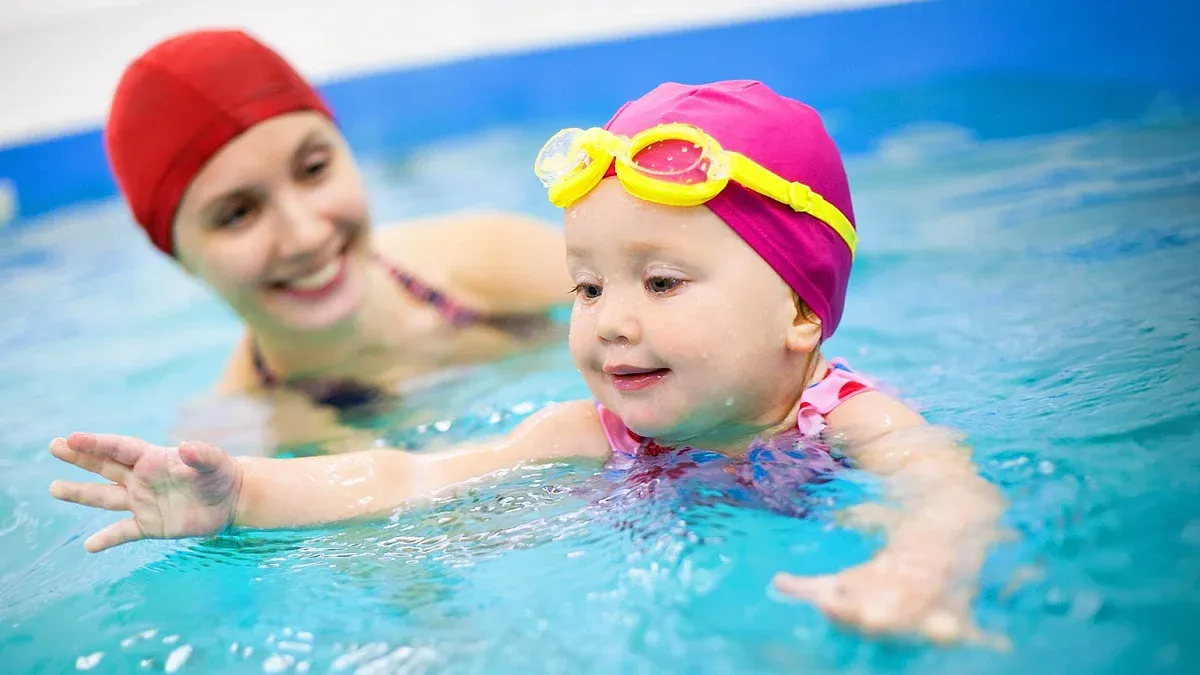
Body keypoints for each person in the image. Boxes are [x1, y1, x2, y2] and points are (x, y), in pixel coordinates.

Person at [50, 80, 1006, 644]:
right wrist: (244, 495)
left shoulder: (846, 418)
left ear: (801, 309)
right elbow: (409, 474)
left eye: (661, 282)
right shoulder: (585, 432)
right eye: (586, 289)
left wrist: (919, 572)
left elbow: (948, 491)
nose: (607, 324)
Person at [103, 28, 572, 446]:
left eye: (314, 169)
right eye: (238, 213)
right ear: (178, 257)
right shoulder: (237, 445)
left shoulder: (496, 258)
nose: (305, 235)